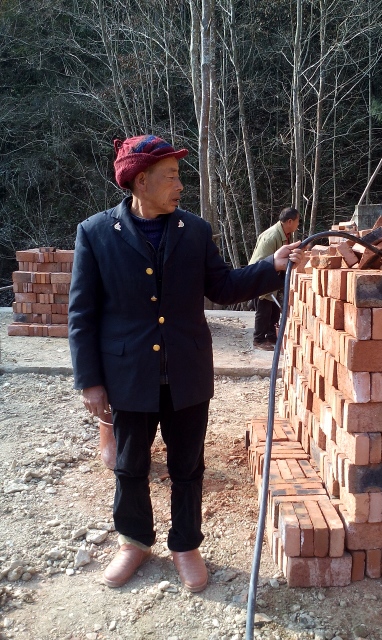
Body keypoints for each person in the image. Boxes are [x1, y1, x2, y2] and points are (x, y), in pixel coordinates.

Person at [68, 134, 304, 592]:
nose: (180, 185)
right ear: (140, 180)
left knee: (188, 467)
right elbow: (82, 315)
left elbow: (223, 286)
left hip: (187, 373)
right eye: (171, 176)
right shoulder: (95, 233)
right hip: (128, 376)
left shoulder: (194, 230)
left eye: (180, 176)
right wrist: (90, 381)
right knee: (130, 467)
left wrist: (270, 266)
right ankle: (134, 541)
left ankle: (185, 544)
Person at [248, 207, 300, 350]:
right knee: (264, 309)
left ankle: (272, 336)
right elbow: (259, 262)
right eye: (297, 221)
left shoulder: (284, 234)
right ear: (290, 221)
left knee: (274, 309)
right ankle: (258, 340)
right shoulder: (272, 236)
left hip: (272, 276)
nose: (298, 224)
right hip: (261, 276)